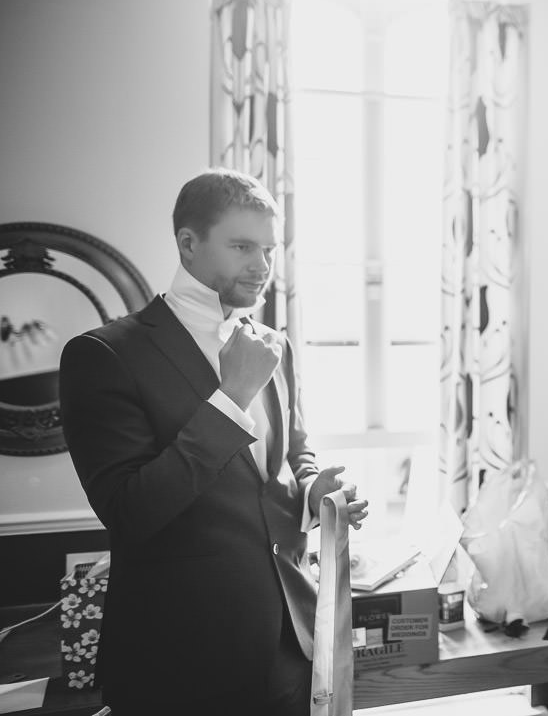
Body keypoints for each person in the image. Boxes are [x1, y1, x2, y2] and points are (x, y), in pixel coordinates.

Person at [59, 169, 369, 716]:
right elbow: (130, 511)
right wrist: (231, 397)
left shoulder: (274, 345)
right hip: (179, 658)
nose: (262, 266)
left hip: (290, 643)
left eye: (269, 249)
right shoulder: (104, 355)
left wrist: (313, 490)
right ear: (188, 243)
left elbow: (293, 456)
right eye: (242, 246)